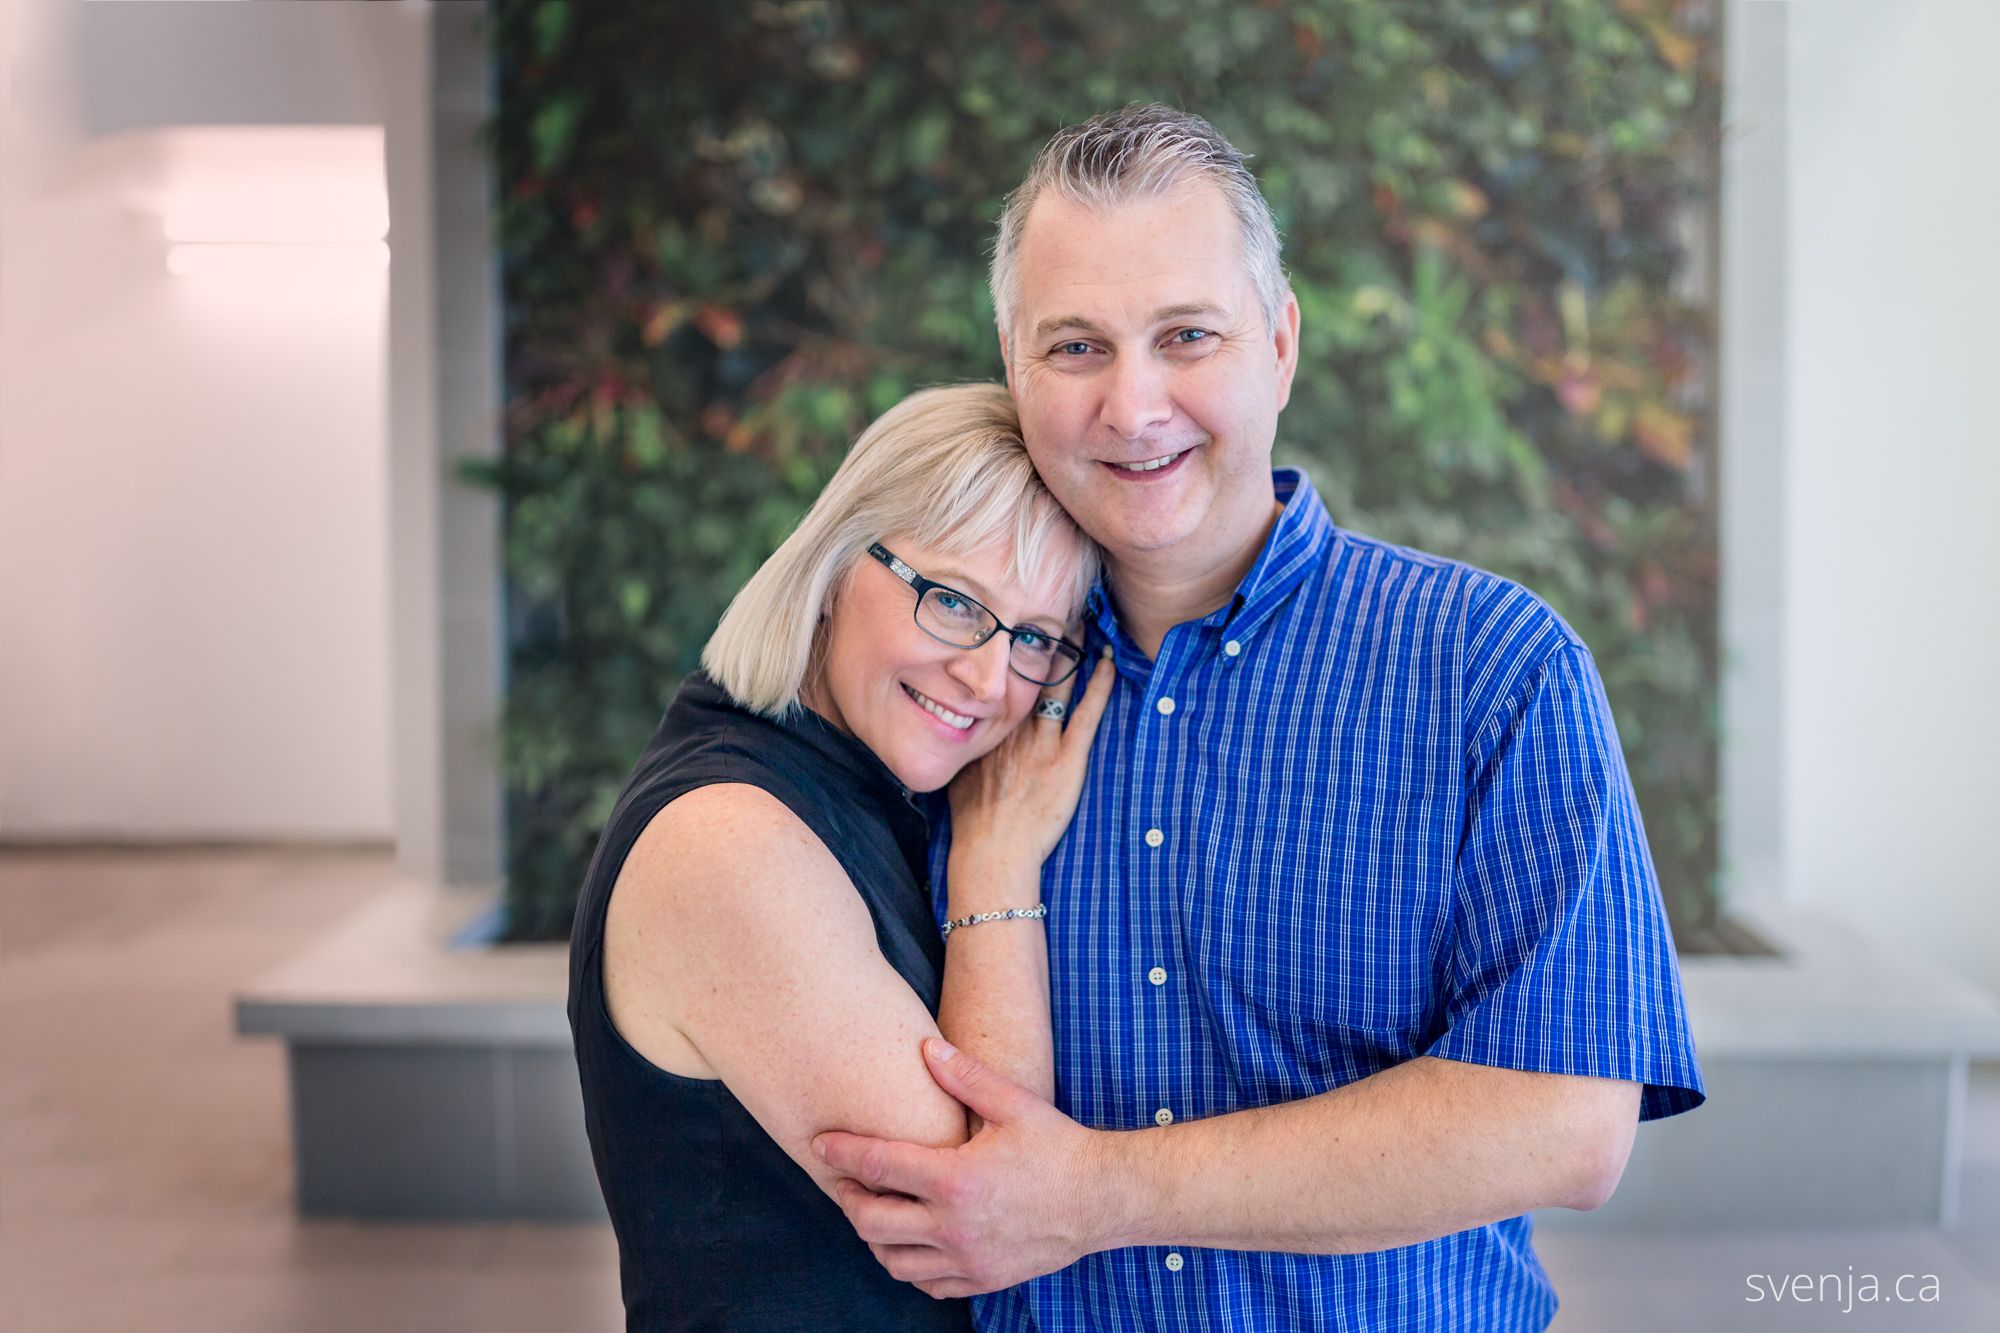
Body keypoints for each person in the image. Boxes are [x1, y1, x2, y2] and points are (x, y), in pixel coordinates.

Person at [812, 105, 1707, 1331]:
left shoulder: (1488, 668)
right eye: (1074, 348)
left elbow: (1565, 1121)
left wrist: (1100, 1192)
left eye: (1186, 335)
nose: (1133, 408)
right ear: (1011, 369)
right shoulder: (959, 692)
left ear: (1279, 345)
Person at [566, 382, 1116, 1331]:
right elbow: (987, 1213)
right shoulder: (728, 841)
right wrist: (996, 860)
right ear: (831, 567)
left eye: (1035, 638)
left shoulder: (870, 786)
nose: (989, 677)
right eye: (952, 602)